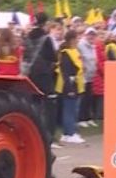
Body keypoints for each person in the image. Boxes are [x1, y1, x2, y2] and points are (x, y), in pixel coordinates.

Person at [22, 12, 58, 142]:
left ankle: (32, 135)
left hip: (30, 75)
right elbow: (53, 57)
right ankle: (48, 136)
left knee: (33, 105)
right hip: (44, 75)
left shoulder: (27, 37)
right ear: (45, 22)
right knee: (48, 105)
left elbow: (25, 55)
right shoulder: (46, 38)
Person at [56, 31, 85, 145]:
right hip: (68, 85)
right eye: (77, 38)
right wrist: (69, 88)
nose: (78, 40)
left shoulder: (74, 52)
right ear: (72, 39)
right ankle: (69, 133)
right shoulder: (66, 54)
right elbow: (65, 73)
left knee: (73, 110)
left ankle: (69, 131)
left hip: (76, 83)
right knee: (69, 110)